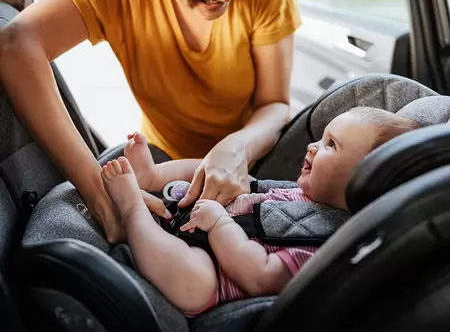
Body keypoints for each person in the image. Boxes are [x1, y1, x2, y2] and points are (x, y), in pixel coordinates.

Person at [0, 0, 301, 242]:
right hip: (162, 163)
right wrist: (100, 196)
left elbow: (276, 105)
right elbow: (16, 44)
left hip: (253, 160)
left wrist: (236, 148)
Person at [101, 107, 420, 314]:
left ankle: (131, 210)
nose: (312, 147)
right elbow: (253, 192)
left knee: (195, 285)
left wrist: (220, 226)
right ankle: (153, 177)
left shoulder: (327, 244)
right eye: (322, 139)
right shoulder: (301, 194)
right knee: (231, 175)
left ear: (363, 181)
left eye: (330, 146)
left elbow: (262, 276)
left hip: (216, 275)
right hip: (201, 218)